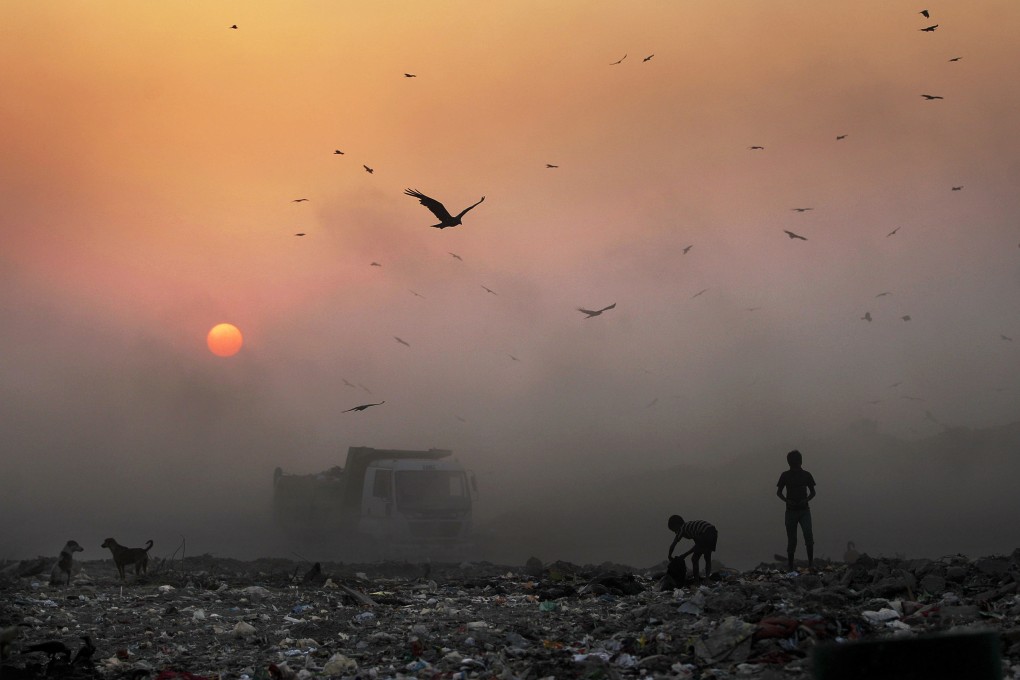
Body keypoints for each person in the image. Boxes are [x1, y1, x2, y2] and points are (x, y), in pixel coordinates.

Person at [776, 449, 816, 571]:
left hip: (804, 510)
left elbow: (813, 492)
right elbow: (779, 492)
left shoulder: (806, 475)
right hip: (791, 511)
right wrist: (788, 501)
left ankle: (810, 564)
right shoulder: (785, 476)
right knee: (792, 539)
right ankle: (791, 566)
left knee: (808, 535)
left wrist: (806, 500)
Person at [667, 514, 718, 581]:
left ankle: (696, 581)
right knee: (707, 557)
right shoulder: (691, 528)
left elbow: (673, 544)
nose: (675, 533)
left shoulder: (682, 529)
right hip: (713, 531)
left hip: (706, 532)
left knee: (694, 559)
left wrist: (670, 555)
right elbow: (697, 545)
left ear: (677, 525)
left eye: (674, 530)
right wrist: (684, 555)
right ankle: (707, 579)